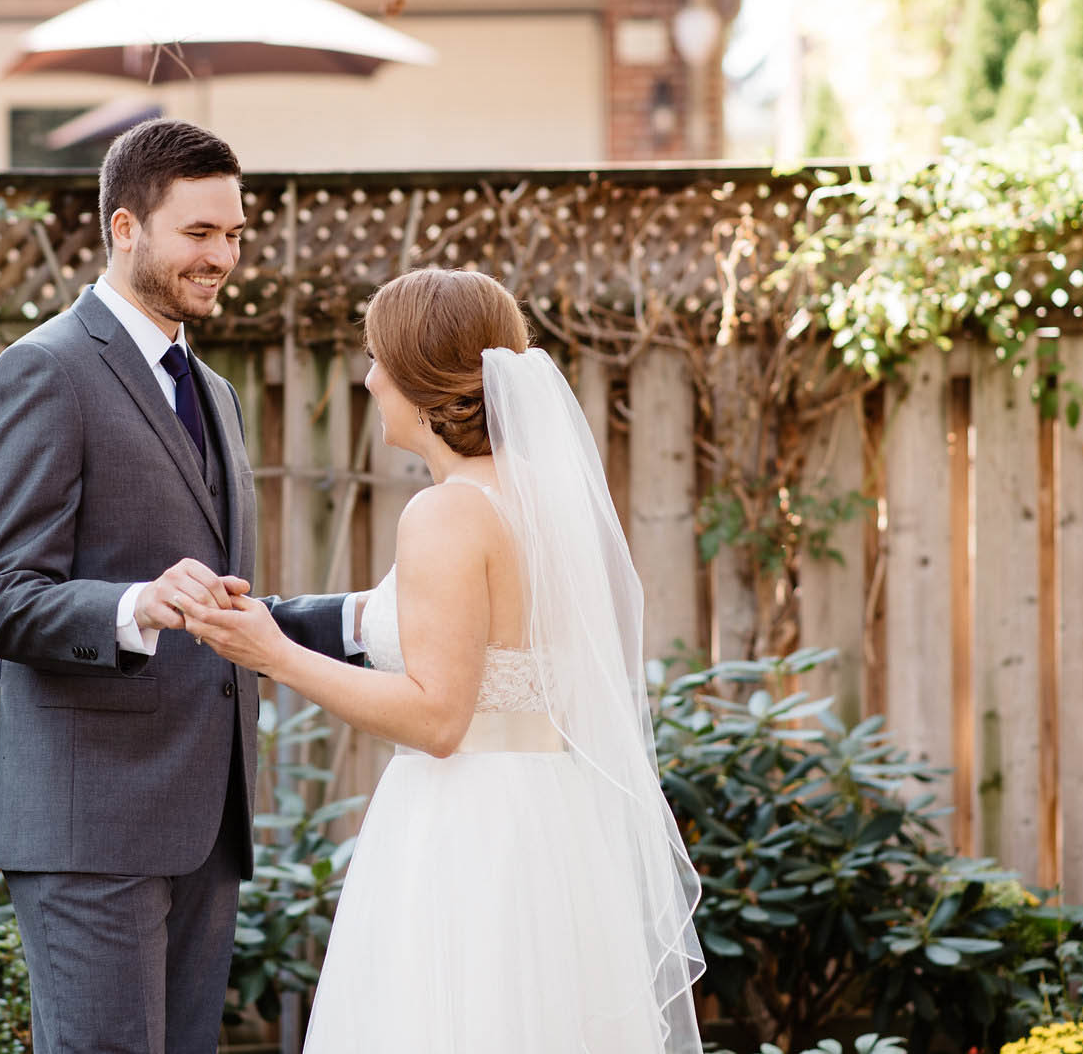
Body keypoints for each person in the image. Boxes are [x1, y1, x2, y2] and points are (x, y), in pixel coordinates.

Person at [183, 268, 705, 1053]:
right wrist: (275, 614)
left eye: (376, 357)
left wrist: (273, 654)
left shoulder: (445, 511)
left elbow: (437, 716)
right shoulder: (540, 500)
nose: (367, 377)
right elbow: (434, 625)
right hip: (551, 830)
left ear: (421, 381)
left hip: (466, 836)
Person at [0, 118, 364, 1054]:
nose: (222, 256)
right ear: (125, 228)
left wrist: (361, 619)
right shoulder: (45, 370)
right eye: (199, 233)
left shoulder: (212, 392)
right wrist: (131, 603)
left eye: (233, 234)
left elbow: (218, 610)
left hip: (203, 822)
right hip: (89, 826)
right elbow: (0, 596)